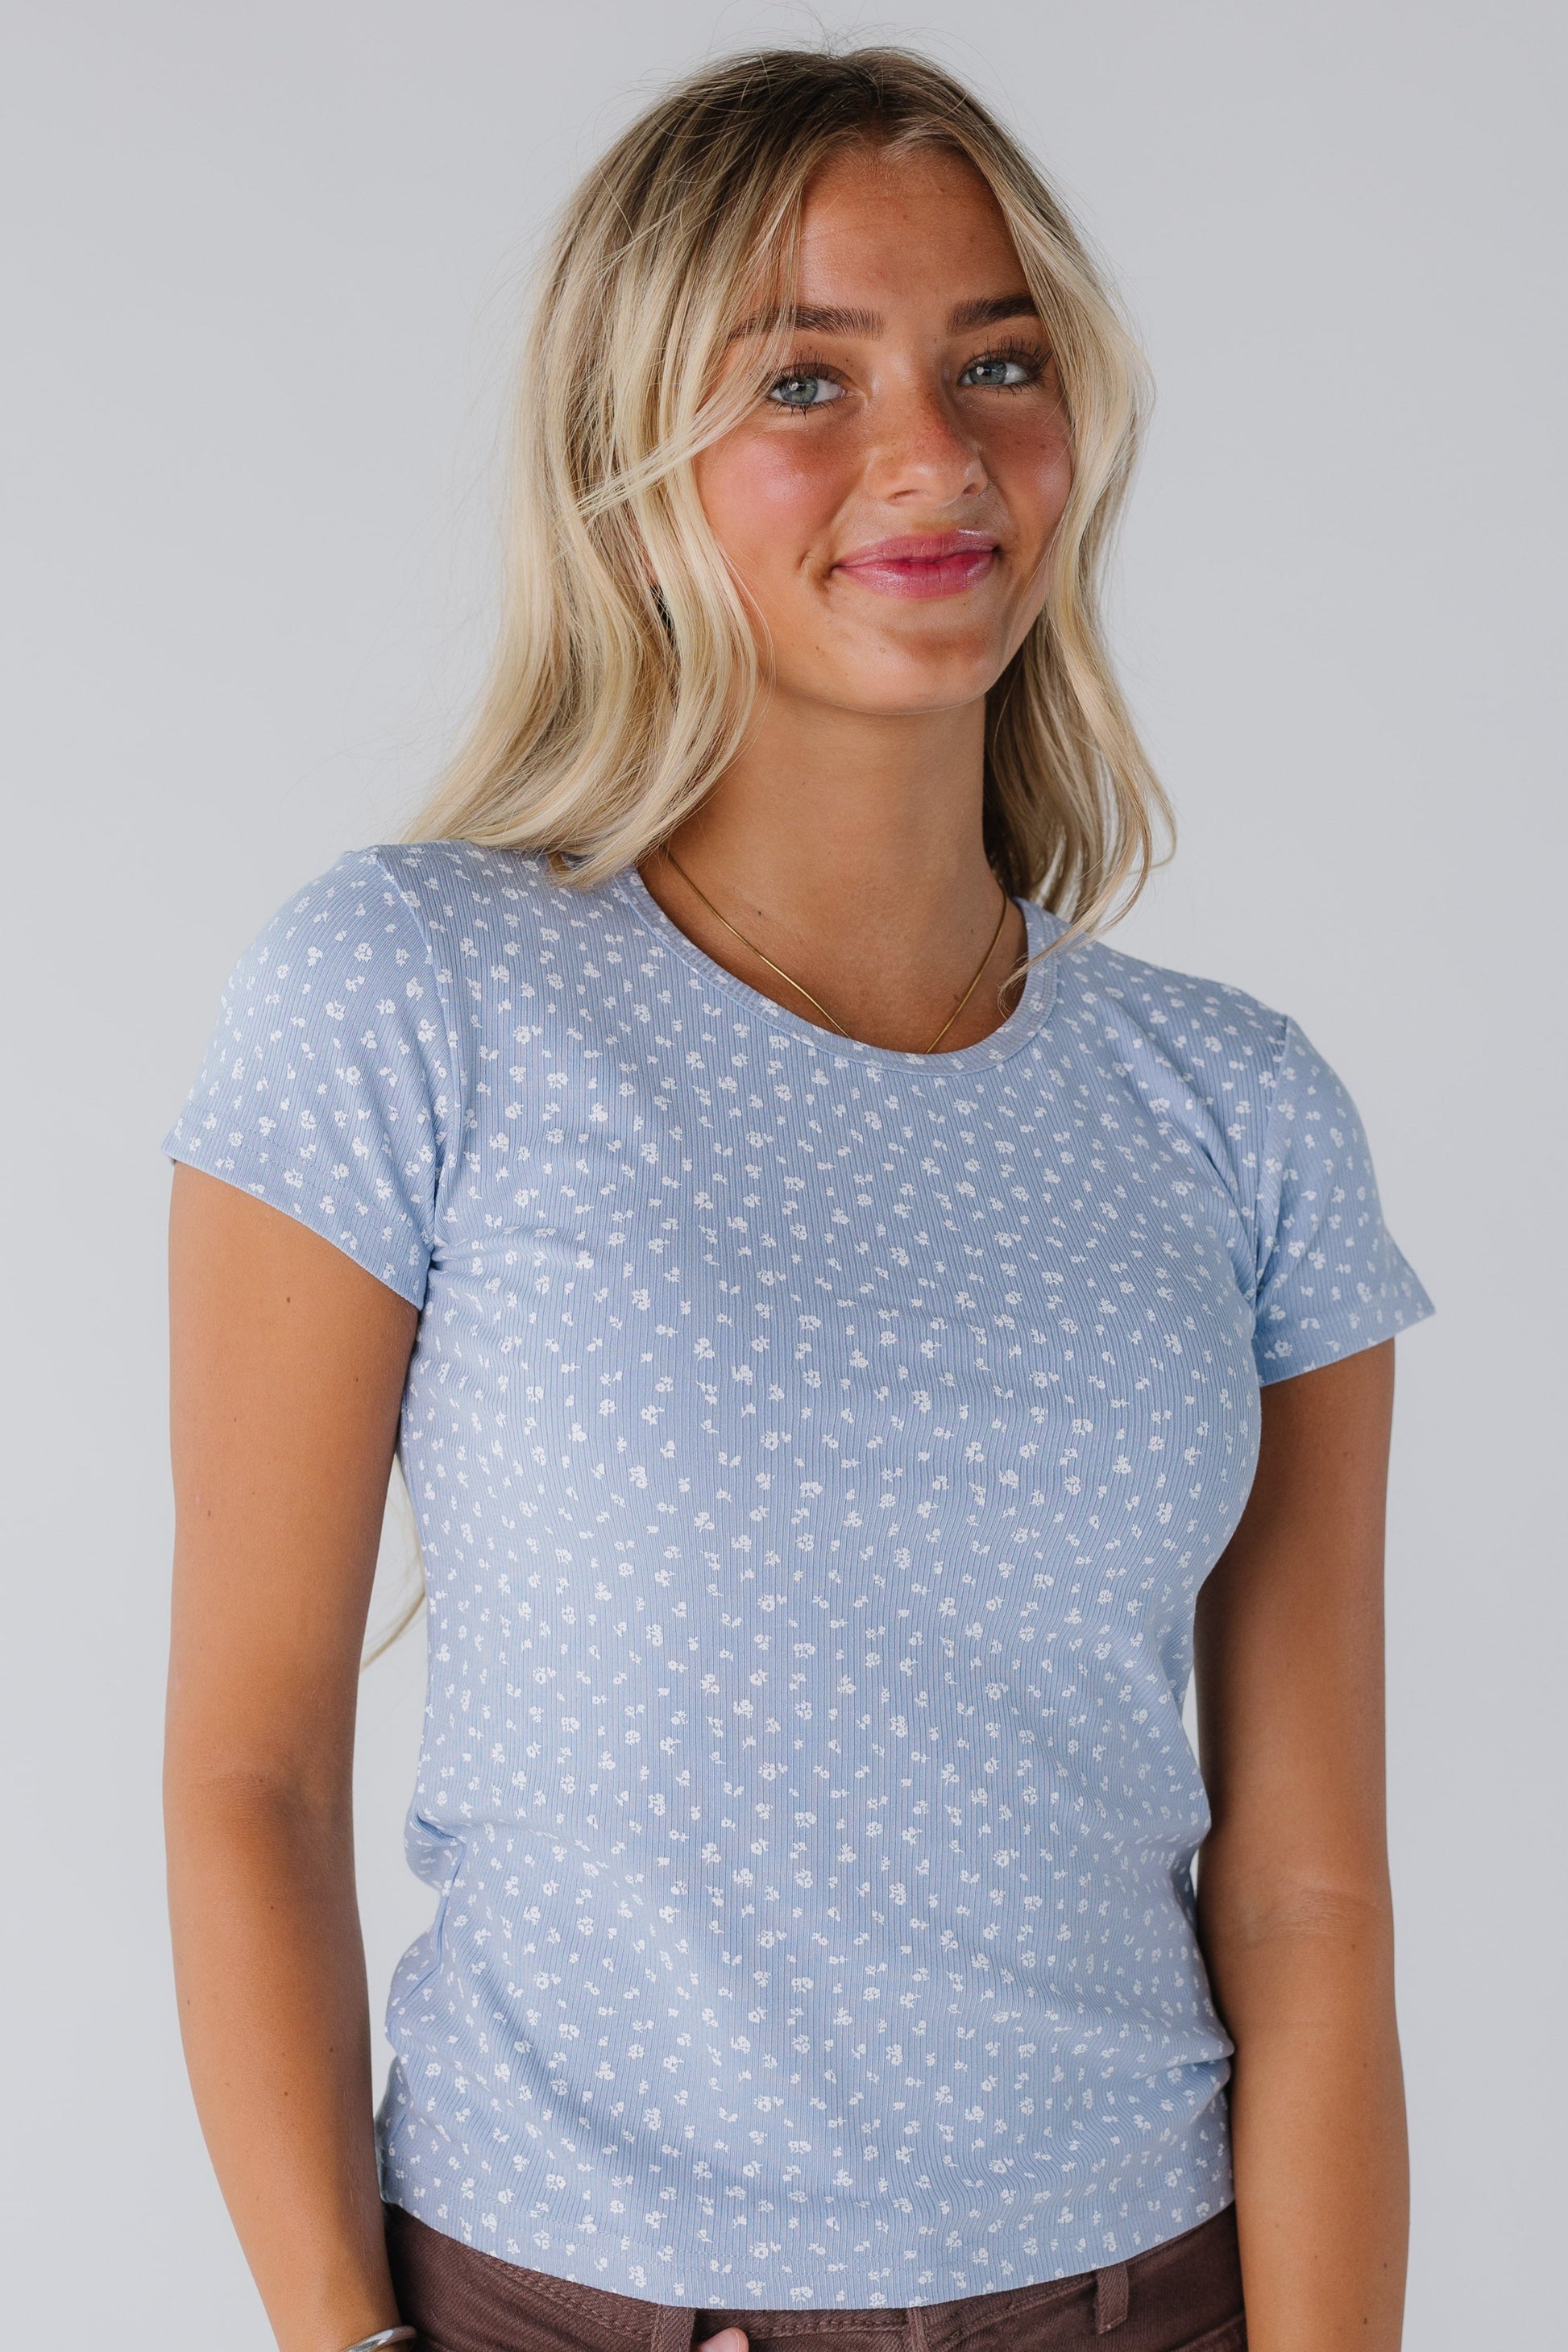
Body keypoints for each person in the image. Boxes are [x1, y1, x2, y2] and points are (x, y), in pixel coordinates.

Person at [164, 45, 1433, 2352]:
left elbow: (1314, 1897)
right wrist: (337, 2340)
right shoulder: (414, 994)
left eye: (998, 363)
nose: (932, 458)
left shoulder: (1238, 1112)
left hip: (1133, 2297)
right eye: (803, 381)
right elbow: (249, 1768)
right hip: (558, 2300)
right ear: (631, 458)